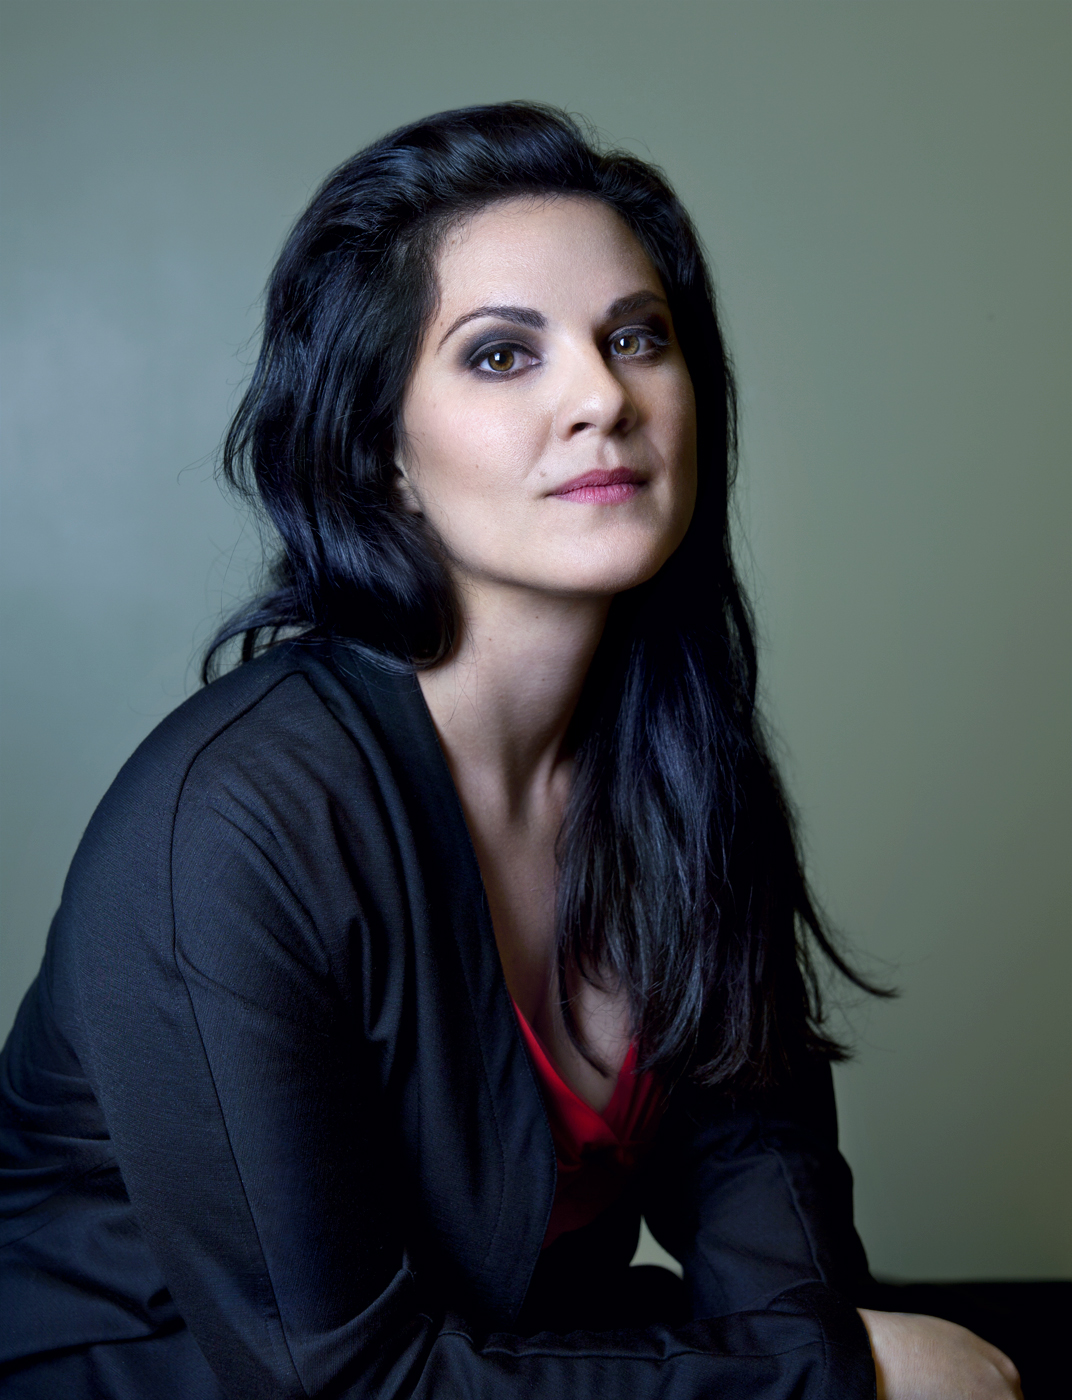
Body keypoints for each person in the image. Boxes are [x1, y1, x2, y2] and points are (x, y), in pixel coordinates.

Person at [0, 103, 1027, 1399]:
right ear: (382, 449)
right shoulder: (234, 827)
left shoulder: (679, 763)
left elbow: (756, 1178)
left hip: (500, 1360)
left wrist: (828, 1358)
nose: (604, 397)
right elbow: (339, 1384)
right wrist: (831, 1381)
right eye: (501, 356)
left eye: (637, 338)